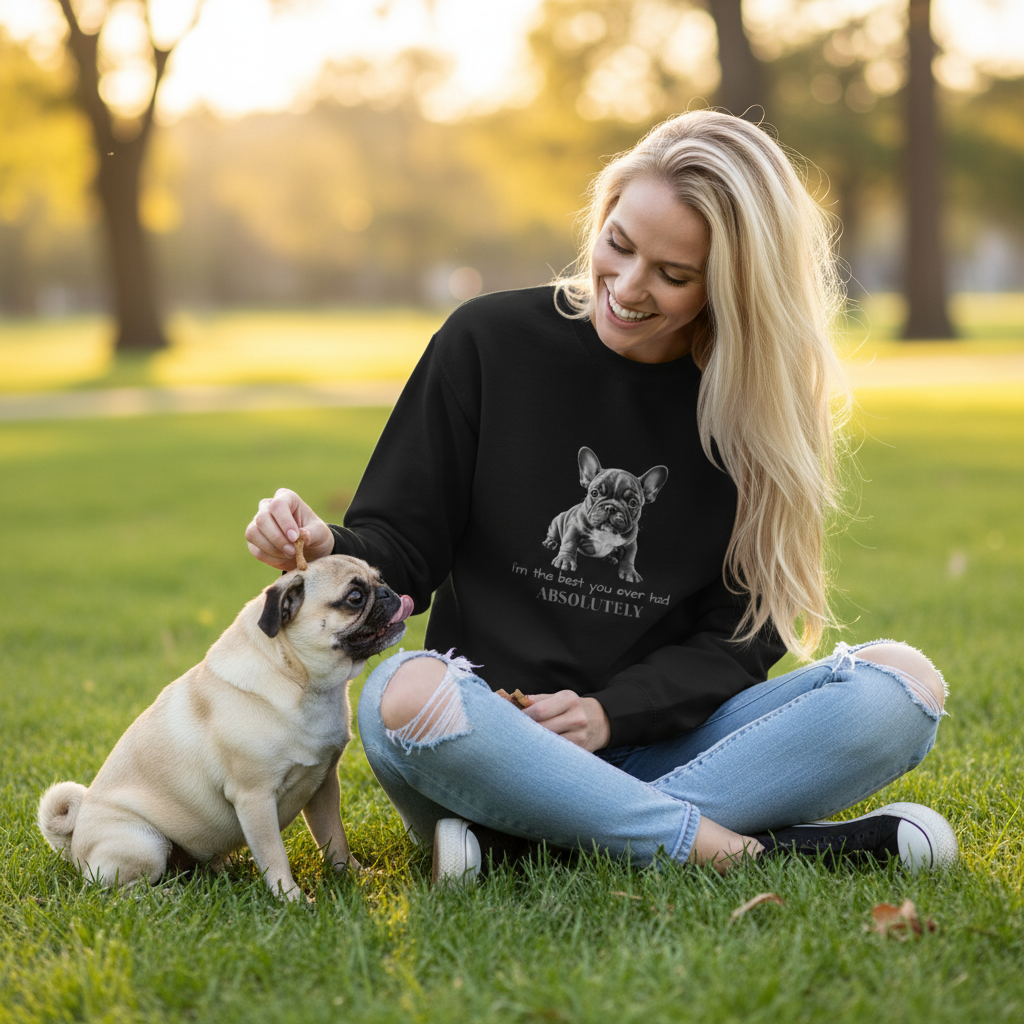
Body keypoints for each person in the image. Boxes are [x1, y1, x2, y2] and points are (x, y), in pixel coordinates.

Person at [245, 111, 956, 882]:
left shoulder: (761, 411)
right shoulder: (488, 341)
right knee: (403, 692)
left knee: (903, 686)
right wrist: (329, 545)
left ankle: (529, 845)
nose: (625, 286)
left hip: (663, 734)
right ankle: (739, 850)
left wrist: (608, 715)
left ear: (732, 286)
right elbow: (406, 544)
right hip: (485, 736)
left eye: (673, 275)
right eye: (617, 244)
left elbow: (742, 633)